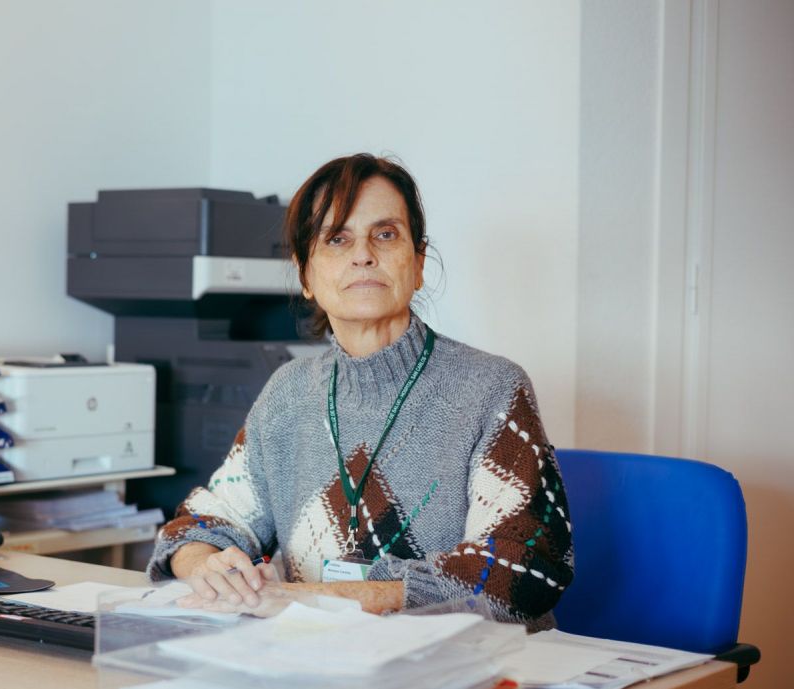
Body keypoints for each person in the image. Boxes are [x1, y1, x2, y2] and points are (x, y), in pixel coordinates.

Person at [146, 153, 574, 630]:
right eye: (337, 238)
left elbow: (524, 570)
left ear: (418, 264)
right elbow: (196, 525)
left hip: (461, 666)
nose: (363, 254)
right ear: (305, 275)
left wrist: (317, 599)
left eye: (385, 234)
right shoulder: (287, 392)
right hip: (323, 661)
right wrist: (209, 567)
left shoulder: (491, 389)